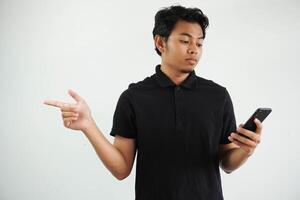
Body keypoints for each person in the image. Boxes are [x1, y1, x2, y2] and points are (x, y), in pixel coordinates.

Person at [44, 5, 263, 200]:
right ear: (160, 42)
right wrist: (88, 125)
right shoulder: (134, 98)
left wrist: (245, 150)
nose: (194, 49)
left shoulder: (218, 96)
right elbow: (121, 169)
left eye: (199, 43)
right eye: (185, 41)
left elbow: (227, 163)